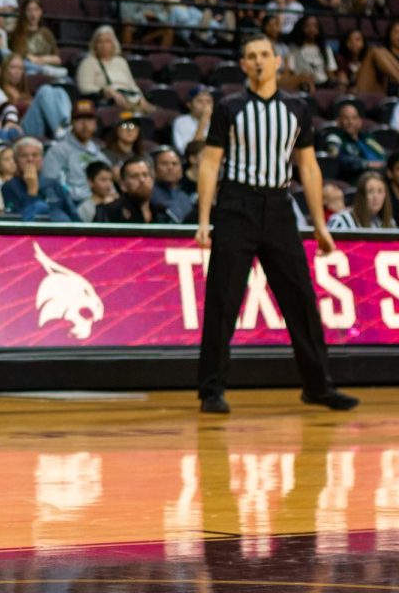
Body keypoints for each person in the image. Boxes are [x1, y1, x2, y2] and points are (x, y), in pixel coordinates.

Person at [194, 32, 359, 414]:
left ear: (277, 61)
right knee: (223, 299)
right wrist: (204, 219)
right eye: (251, 55)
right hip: (236, 205)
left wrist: (320, 223)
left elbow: (309, 166)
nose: (258, 61)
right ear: (243, 64)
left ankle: (318, 386)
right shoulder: (229, 107)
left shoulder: (298, 108)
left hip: (280, 207)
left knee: (300, 298)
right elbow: (210, 162)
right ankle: (211, 389)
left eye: (265, 54)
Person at [1, 136, 79, 222]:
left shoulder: (53, 184)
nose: (30, 159)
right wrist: (32, 191)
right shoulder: (9, 187)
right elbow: (17, 221)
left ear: (42, 159)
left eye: (35, 155)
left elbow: (74, 215)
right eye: (24, 156)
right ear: (16, 161)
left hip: (61, 232)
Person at [76, 25, 150, 113]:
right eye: (100, 42)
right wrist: (106, 91)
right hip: (109, 102)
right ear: (94, 45)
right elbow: (84, 88)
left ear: (114, 44)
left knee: (156, 113)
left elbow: (132, 85)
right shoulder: (88, 62)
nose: (103, 45)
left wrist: (141, 97)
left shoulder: (121, 61)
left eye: (107, 41)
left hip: (130, 98)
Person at [43, 99, 104, 204]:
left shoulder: (100, 155)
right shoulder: (57, 151)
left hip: (97, 207)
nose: (85, 125)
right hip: (69, 206)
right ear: (72, 122)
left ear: (95, 124)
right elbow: (50, 189)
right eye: (79, 119)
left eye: (89, 119)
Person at [323, 100, 386, 182]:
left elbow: (383, 153)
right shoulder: (335, 138)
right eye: (346, 118)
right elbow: (336, 160)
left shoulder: (367, 138)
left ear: (360, 121)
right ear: (338, 121)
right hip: (359, 178)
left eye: (354, 118)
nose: (350, 122)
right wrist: (366, 164)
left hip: (381, 173)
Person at [96, 157, 173, 224]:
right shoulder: (110, 211)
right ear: (123, 185)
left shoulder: (162, 212)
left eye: (145, 175)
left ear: (152, 180)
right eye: (135, 176)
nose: (142, 180)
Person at [327, 170, 394, 230]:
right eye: (370, 191)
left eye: (380, 191)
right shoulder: (340, 220)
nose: (376, 197)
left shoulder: (389, 221)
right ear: (361, 195)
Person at [150, 147, 192, 222]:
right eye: (164, 164)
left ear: (181, 170)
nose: (170, 167)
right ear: (154, 169)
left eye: (174, 164)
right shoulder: (148, 195)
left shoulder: (185, 197)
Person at [172, 85, 213, 153]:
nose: (205, 105)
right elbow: (188, 152)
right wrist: (203, 122)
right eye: (200, 101)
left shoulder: (219, 122)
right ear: (189, 104)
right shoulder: (181, 122)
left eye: (208, 101)